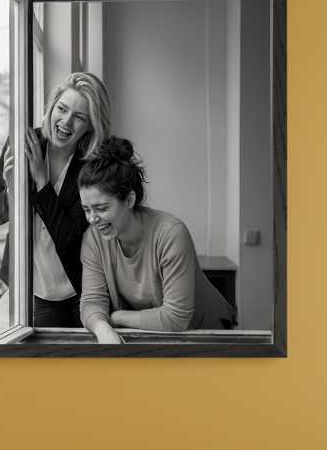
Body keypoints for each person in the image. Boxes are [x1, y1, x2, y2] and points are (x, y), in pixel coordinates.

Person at [77, 137, 237, 343]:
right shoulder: (93, 240)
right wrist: (101, 327)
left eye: (101, 208)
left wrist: (116, 317)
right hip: (156, 335)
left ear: (129, 200)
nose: (92, 219)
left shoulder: (171, 233)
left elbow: (176, 317)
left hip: (205, 333)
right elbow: (92, 301)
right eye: (86, 209)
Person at [0, 72, 111, 327]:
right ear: (52, 106)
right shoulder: (22, 144)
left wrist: (42, 183)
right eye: (62, 109)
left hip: (80, 286)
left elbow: (68, 236)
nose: (66, 121)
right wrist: (12, 190)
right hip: (33, 288)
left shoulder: (91, 168)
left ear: (90, 125)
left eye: (79, 117)